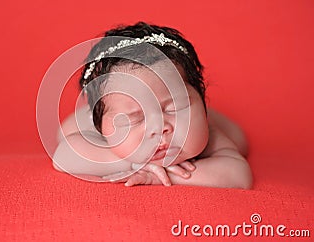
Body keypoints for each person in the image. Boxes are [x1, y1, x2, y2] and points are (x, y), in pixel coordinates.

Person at [52, 22, 252, 188]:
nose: (159, 128)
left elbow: (239, 175)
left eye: (174, 108)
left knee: (239, 139)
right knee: (65, 132)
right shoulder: (103, 133)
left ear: (202, 101)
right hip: (86, 122)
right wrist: (133, 163)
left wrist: (163, 176)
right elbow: (62, 157)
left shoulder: (211, 133)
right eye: (135, 118)